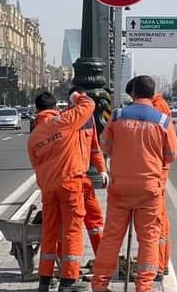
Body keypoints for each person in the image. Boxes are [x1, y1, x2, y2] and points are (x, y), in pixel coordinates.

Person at [92, 76, 177, 292]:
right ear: (153, 94)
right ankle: (144, 286)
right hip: (149, 189)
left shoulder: (118, 116)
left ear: (133, 93)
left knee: (112, 236)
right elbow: (171, 154)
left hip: (120, 187)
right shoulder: (162, 120)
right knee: (149, 238)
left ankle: (100, 284)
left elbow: (105, 145)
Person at [28, 91, 95, 292]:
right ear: (55, 108)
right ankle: (68, 280)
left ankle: (45, 279)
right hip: (70, 184)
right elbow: (89, 104)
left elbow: (36, 165)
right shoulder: (64, 121)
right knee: (72, 230)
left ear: (37, 111)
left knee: (50, 232)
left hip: (49, 189)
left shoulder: (33, 138)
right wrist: (76, 97)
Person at [126, 79, 176, 282]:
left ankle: (158, 265)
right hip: (155, 170)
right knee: (157, 223)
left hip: (156, 172)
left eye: (132, 97)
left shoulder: (157, 108)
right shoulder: (158, 105)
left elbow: (164, 145)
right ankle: (158, 264)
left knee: (157, 223)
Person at [68, 86, 109, 254]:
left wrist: (102, 169)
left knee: (95, 219)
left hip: (84, 179)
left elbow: (94, 148)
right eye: (80, 99)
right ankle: (67, 266)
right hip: (68, 180)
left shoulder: (89, 120)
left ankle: (101, 257)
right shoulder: (64, 118)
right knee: (70, 224)